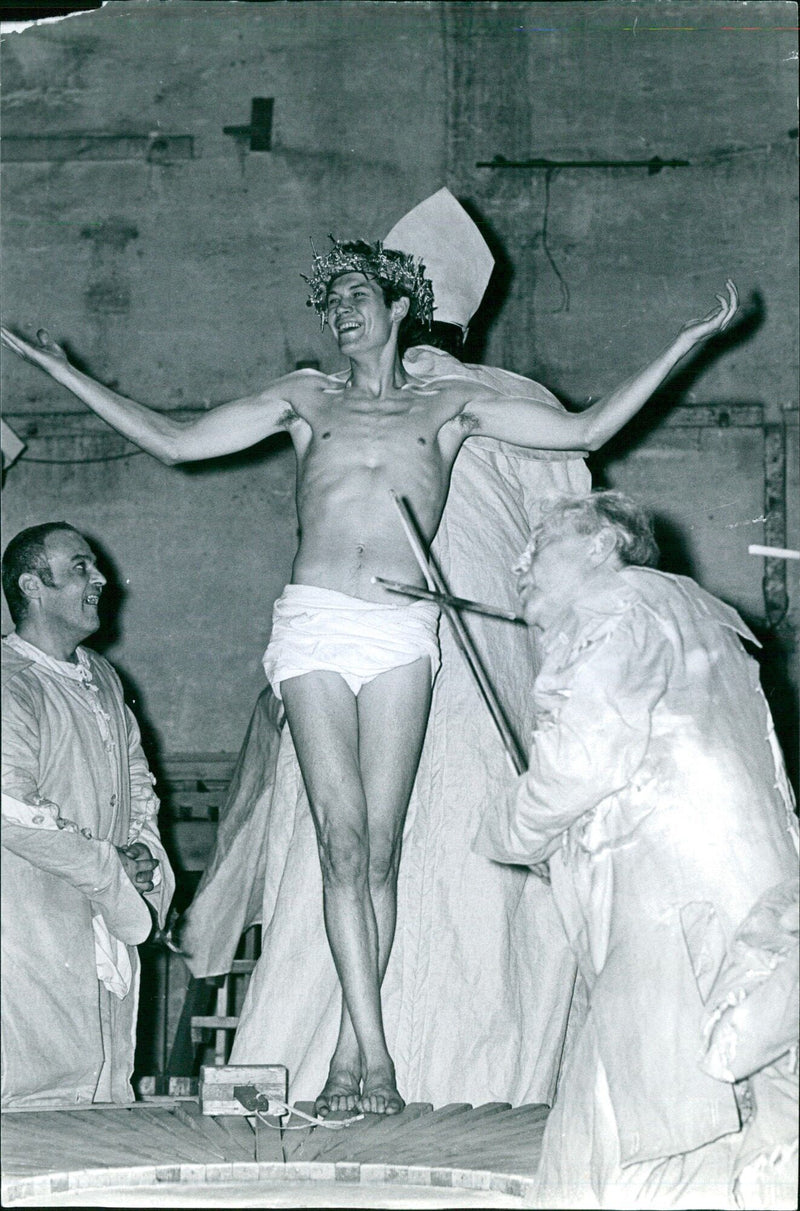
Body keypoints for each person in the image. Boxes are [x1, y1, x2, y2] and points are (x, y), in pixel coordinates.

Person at [0, 257, 737, 1117]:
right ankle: (375, 1060)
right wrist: (62, 370)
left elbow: (583, 432)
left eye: (355, 299)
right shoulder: (307, 398)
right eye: (329, 304)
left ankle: (352, 1049)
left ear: (397, 308)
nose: (340, 315)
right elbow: (173, 439)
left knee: (381, 853)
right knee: (339, 848)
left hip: (398, 634)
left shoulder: (449, 408)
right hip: (314, 624)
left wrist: (685, 344)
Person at [474, 491, 798, 1209]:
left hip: (672, 915)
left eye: (543, 546)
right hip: (746, 900)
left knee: (644, 1145)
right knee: (736, 1128)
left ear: (601, 547)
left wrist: (504, 825)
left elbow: (582, 763)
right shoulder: (700, 615)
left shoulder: (611, 605)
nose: (521, 563)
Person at [1, 523, 175, 1108]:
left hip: (100, 918)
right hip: (26, 923)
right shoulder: (9, 682)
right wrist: (108, 867)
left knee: (104, 1087)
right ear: (33, 585)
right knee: (35, 1090)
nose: (101, 578)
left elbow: (137, 780)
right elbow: (9, 808)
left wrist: (144, 853)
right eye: (81, 567)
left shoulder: (101, 676)